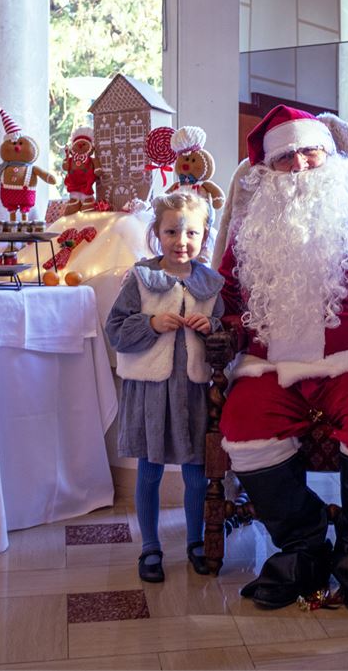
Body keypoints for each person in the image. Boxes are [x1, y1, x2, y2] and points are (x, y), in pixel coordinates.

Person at [215, 104, 348, 614]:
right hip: (270, 362)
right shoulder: (250, 231)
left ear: (330, 155)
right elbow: (229, 295)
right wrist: (220, 329)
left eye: (310, 152)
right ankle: (305, 546)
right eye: (285, 158)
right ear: (267, 170)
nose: (298, 165)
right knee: (243, 423)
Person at [105, 191, 224, 582]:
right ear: (157, 232)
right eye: (172, 231)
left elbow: (224, 335)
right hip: (151, 393)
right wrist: (152, 324)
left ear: (204, 235)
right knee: (150, 469)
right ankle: (150, 546)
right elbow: (116, 331)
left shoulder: (211, 284)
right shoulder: (141, 279)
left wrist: (212, 329)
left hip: (192, 391)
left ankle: (194, 540)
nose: (182, 241)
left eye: (191, 232)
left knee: (195, 471)